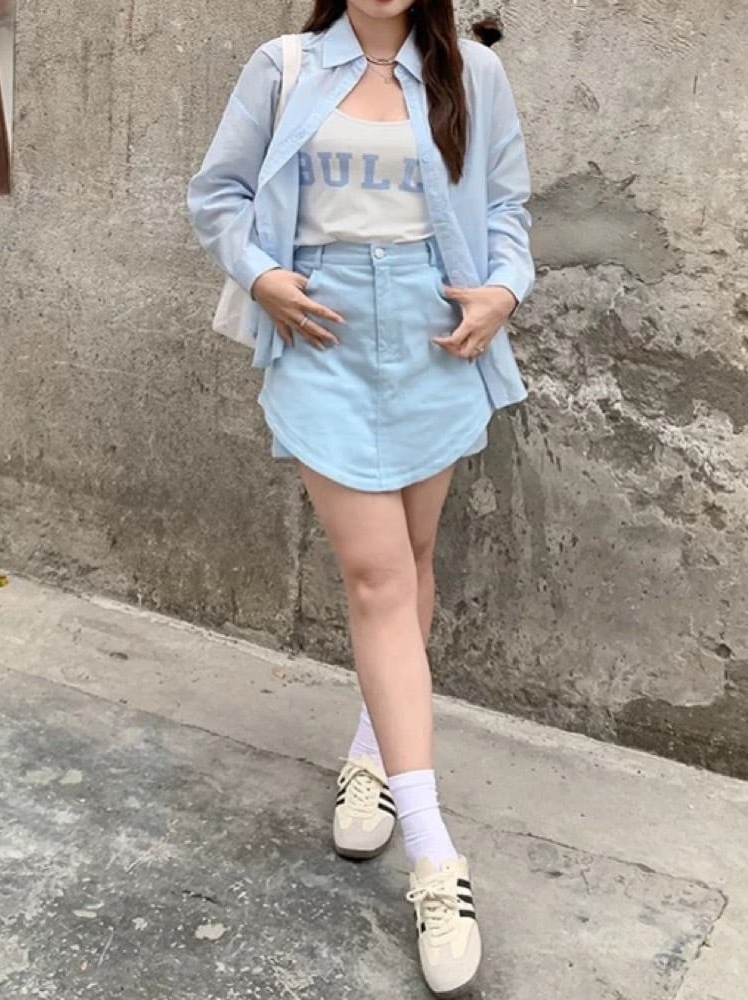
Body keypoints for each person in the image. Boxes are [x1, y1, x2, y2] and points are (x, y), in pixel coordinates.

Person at [188, 1, 533, 995]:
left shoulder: (473, 73)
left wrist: (503, 290)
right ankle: (435, 858)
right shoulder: (285, 66)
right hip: (324, 330)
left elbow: (507, 206)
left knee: (413, 562)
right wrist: (262, 275)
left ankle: (373, 754)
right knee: (378, 577)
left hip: (434, 329)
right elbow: (217, 194)